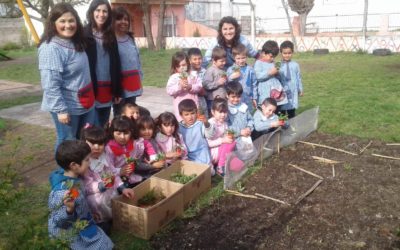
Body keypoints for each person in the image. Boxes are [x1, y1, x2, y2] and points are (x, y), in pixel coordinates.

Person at [38, 3, 95, 151]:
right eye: (62, 21)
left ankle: (81, 171)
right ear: (53, 24)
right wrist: (60, 110)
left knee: (83, 140)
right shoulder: (51, 48)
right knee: (68, 143)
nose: (68, 25)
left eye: (71, 21)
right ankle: (64, 173)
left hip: (84, 102)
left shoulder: (75, 42)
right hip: (67, 107)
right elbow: (50, 84)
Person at [48, 140, 113, 249]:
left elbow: (81, 199)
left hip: (83, 221)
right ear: (74, 165)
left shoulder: (75, 180)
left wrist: (89, 214)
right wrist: (69, 210)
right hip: (69, 231)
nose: (90, 163)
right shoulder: (62, 193)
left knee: (104, 235)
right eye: (87, 160)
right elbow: (60, 222)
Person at [81, 125, 134, 234]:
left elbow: (113, 173)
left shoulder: (105, 157)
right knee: (98, 203)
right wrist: (100, 185)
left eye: (100, 144)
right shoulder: (85, 163)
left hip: (109, 189)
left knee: (115, 197)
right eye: (92, 143)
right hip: (95, 194)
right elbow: (86, 186)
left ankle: (113, 218)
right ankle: (100, 221)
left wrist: (122, 188)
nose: (97, 147)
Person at [84, 0, 122, 127]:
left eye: (105, 11)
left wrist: (117, 91)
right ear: (92, 12)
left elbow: (116, 63)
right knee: (90, 127)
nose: (101, 14)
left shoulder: (110, 35)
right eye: (98, 10)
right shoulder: (83, 34)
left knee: (103, 125)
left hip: (107, 87)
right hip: (90, 87)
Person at [112, 7, 143, 116]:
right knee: (120, 115)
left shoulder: (130, 39)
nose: (123, 22)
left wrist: (140, 78)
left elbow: (137, 60)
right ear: (113, 21)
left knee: (132, 113)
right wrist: (115, 89)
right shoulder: (110, 40)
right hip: (119, 86)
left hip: (132, 83)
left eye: (126, 19)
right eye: (119, 19)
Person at [105, 116, 151, 187]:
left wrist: (152, 159)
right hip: (117, 181)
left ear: (131, 132)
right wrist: (120, 171)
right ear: (112, 133)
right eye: (118, 133)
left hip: (132, 177)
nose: (122, 137)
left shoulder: (134, 143)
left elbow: (145, 144)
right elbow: (108, 169)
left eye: (126, 133)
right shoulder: (109, 149)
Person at [178, 99, 214, 173]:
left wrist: (206, 123)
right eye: (186, 114)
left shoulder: (200, 124)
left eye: (192, 113)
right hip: (188, 157)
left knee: (210, 172)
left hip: (203, 155)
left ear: (196, 112)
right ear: (181, 115)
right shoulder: (179, 127)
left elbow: (210, 135)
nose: (190, 117)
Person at [166, 51, 202, 121]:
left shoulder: (193, 75)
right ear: (175, 67)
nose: (181, 67)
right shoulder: (174, 77)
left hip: (193, 104)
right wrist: (179, 86)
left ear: (188, 63)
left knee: (195, 122)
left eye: (183, 65)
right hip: (180, 106)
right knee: (182, 123)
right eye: (178, 66)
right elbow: (169, 90)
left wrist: (191, 87)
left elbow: (199, 86)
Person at [206, 97, 236, 176]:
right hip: (211, 153)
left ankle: (225, 163)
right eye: (220, 112)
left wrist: (229, 136)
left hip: (220, 150)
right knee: (230, 143)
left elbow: (226, 135)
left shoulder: (224, 123)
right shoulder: (210, 124)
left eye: (225, 112)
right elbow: (208, 144)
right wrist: (222, 140)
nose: (223, 115)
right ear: (213, 112)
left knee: (232, 142)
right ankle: (220, 167)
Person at [254, 40, 288, 109]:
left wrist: (278, 73)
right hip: (266, 94)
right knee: (267, 111)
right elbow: (258, 76)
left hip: (277, 93)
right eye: (271, 56)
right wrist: (269, 73)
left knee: (277, 110)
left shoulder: (273, 63)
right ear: (263, 53)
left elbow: (280, 78)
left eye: (274, 57)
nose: (272, 59)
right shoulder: (258, 63)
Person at [226, 43, 258, 112]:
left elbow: (254, 84)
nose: (241, 61)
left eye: (243, 58)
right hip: (235, 98)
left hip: (247, 98)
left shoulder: (250, 69)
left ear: (246, 57)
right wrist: (231, 77)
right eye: (238, 58)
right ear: (234, 57)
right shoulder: (231, 69)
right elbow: (227, 84)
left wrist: (254, 98)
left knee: (248, 114)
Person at [279, 40, 304, 118]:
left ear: (292, 52)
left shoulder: (295, 65)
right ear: (281, 53)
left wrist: (300, 89)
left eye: (289, 53)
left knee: (291, 110)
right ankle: (281, 127)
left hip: (293, 90)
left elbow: (298, 77)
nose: (287, 55)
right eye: (285, 53)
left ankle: (292, 126)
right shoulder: (278, 65)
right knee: (281, 111)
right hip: (282, 91)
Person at [203, 47, 227, 114]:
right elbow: (206, 85)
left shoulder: (223, 69)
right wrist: (218, 83)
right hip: (213, 100)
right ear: (214, 61)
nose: (224, 63)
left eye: (225, 61)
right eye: (221, 61)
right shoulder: (210, 70)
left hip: (222, 99)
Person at [187, 48, 209, 118]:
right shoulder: (187, 72)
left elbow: (207, 88)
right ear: (190, 61)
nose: (198, 61)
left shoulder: (205, 71)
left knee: (203, 120)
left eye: (199, 59)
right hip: (190, 101)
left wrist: (204, 92)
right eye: (195, 59)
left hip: (201, 101)